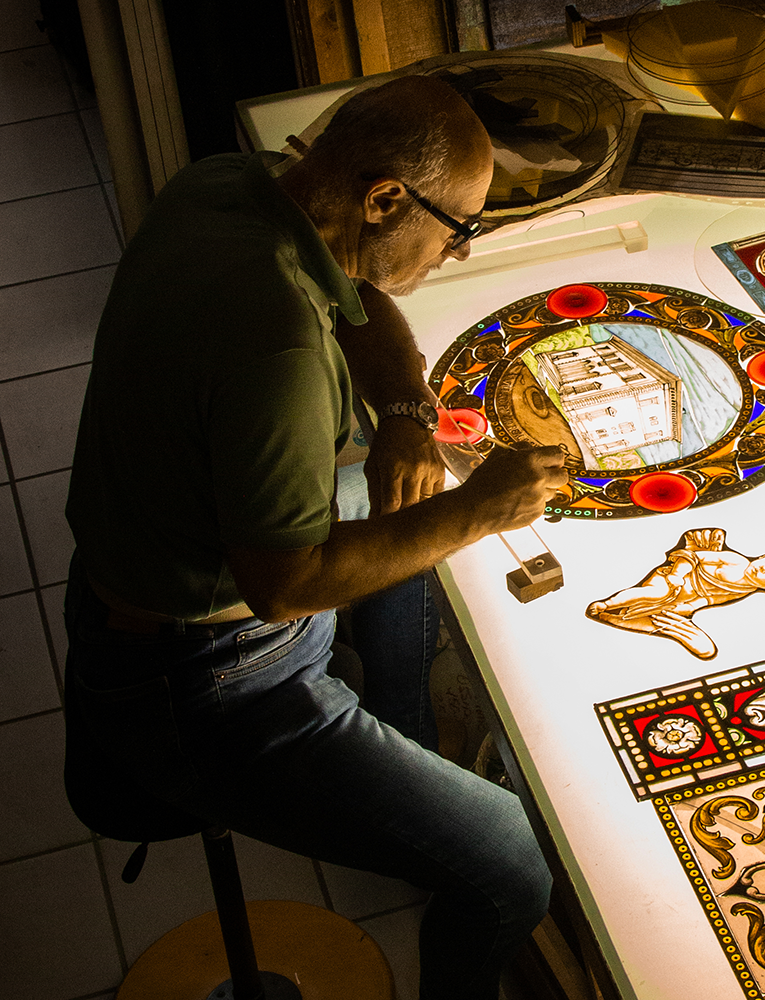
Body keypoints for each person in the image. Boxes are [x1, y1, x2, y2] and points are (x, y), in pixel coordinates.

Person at [63, 74, 568, 1000]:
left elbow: (356, 292)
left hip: (165, 578)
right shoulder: (279, 346)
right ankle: (427, 813)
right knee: (511, 866)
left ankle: (404, 756)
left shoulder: (226, 185)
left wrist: (407, 412)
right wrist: (481, 511)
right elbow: (285, 586)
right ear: (384, 199)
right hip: (205, 678)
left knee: (399, 496)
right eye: (458, 229)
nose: (456, 253)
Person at [585, 527, 765, 658]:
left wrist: (689, 607)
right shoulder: (735, 561)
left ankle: (617, 618)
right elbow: (694, 556)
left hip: (686, 597)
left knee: (701, 646)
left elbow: (712, 598)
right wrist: (677, 574)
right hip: (674, 578)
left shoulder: (744, 590)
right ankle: (608, 604)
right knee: (654, 594)